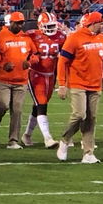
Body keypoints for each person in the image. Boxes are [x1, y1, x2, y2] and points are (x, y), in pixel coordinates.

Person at [56, 11, 103, 164]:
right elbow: (62, 61)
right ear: (93, 23)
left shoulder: (102, 39)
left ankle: (88, 152)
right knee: (80, 115)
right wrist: (62, 84)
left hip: (95, 85)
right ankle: (65, 140)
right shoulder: (74, 38)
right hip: (77, 83)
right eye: (101, 22)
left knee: (91, 118)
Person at [0, 11, 37, 149]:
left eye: (22, 23)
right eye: (18, 23)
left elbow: (35, 55)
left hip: (21, 80)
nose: (20, 26)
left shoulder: (26, 38)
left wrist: (30, 62)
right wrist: (2, 65)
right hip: (2, 79)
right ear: (11, 23)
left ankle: (13, 140)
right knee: (2, 105)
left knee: (17, 110)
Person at [23, 12, 66, 149]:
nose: (50, 28)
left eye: (52, 26)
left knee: (38, 106)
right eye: (47, 26)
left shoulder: (60, 36)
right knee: (41, 104)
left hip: (50, 75)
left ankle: (27, 135)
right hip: (36, 74)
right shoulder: (32, 35)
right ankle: (48, 138)